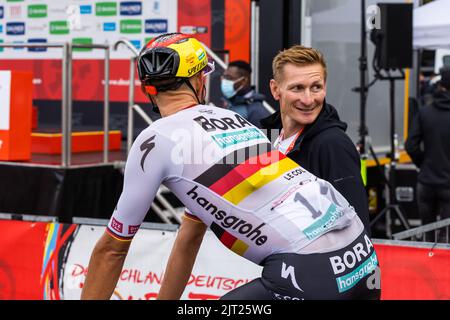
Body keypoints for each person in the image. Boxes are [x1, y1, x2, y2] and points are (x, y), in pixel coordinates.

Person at [80, 33, 380, 300]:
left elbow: (112, 249)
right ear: (200, 81)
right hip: (364, 264)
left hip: (309, 274)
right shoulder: (235, 121)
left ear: (148, 90)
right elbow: (190, 234)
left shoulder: (154, 140)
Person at [260, 45, 371, 235]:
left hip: (315, 262)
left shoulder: (332, 144)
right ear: (275, 89)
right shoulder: (267, 134)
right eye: (297, 88)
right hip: (274, 259)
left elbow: (357, 228)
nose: (308, 99)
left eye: (316, 87)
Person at [405, 67, 450, 242]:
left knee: (427, 236)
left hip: (426, 181)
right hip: (448, 184)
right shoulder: (425, 112)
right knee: (446, 239)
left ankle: (426, 268)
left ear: (440, 86)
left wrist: (423, 164)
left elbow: (411, 145)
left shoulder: (425, 112)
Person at [221, 60, 270, 128]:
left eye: (229, 78)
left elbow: (272, 137)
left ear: (243, 81)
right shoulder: (228, 103)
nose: (224, 81)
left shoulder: (259, 112)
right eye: (224, 77)